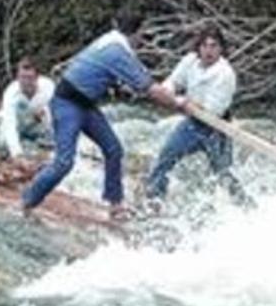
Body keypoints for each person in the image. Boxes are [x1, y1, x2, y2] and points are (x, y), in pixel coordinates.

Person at [20, 28, 183, 219]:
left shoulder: (110, 41)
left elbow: (139, 78)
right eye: (143, 38)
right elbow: (150, 89)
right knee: (64, 162)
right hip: (67, 104)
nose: (144, 44)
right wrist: (179, 103)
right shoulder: (116, 52)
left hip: (86, 104)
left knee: (113, 149)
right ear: (134, 36)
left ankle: (115, 204)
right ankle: (27, 201)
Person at [144, 25, 252, 206]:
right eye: (205, 46)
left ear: (221, 49)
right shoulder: (190, 61)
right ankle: (154, 201)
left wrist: (184, 102)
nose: (209, 51)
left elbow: (212, 110)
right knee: (166, 157)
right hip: (193, 124)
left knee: (224, 174)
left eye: (214, 46)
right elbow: (173, 81)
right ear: (199, 47)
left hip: (216, 128)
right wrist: (166, 91)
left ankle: (244, 206)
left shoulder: (225, 74)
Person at [0, 57, 55, 159]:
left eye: (29, 77)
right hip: (18, 122)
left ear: (37, 77)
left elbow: (55, 114)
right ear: (17, 77)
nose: (25, 81)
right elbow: (9, 124)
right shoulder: (11, 93)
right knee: (3, 143)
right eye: (22, 77)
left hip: (39, 122)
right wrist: (17, 154)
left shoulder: (48, 87)